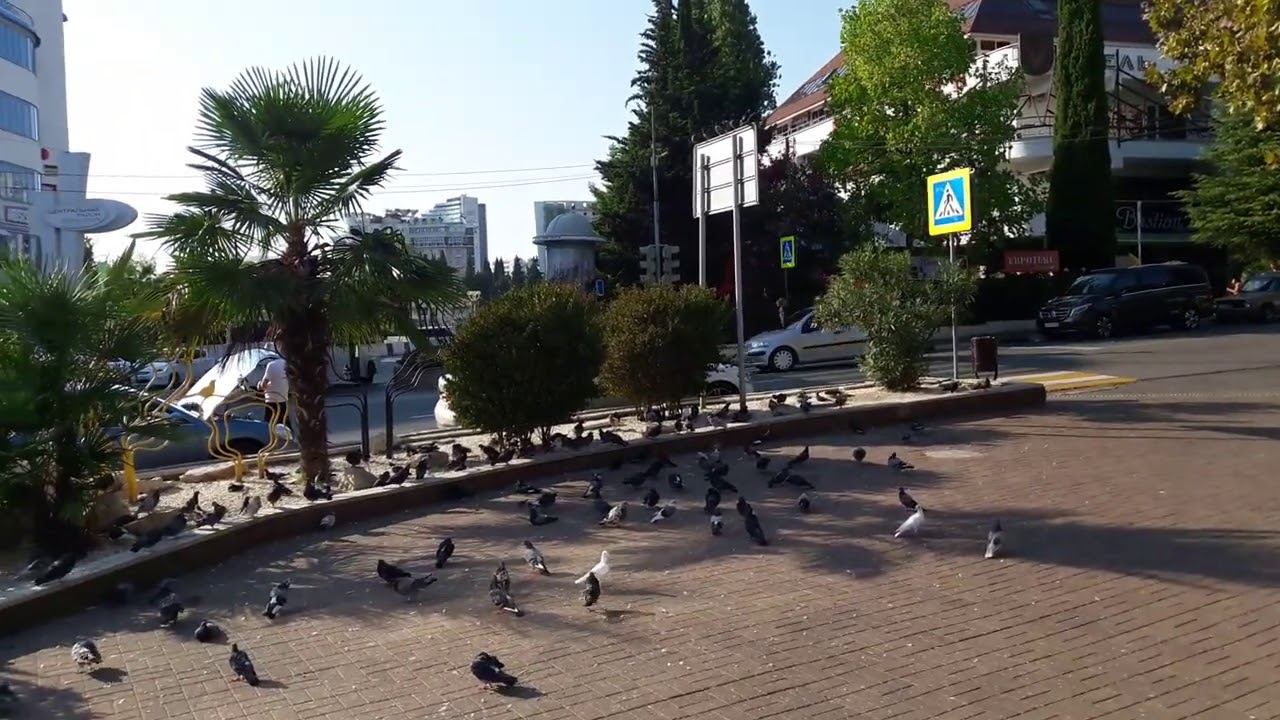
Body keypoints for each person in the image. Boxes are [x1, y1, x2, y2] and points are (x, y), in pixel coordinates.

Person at [257, 356, 291, 429]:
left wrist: (259, 384)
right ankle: (289, 434)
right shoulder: (287, 364)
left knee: (269, 423)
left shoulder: (271, 365)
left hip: (272, 399)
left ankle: (270, 435)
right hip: (283, 398)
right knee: (284, 422)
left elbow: (263, 384)